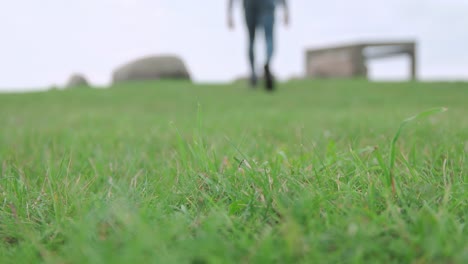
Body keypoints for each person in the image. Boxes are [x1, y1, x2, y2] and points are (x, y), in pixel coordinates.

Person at [228, 0, 289, 91]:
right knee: (269, 38)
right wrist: (286, 9)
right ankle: (267, 62)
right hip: (267, 4)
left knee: (251, 39)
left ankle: (253, 75)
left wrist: (230, 12)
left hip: (250, 4)